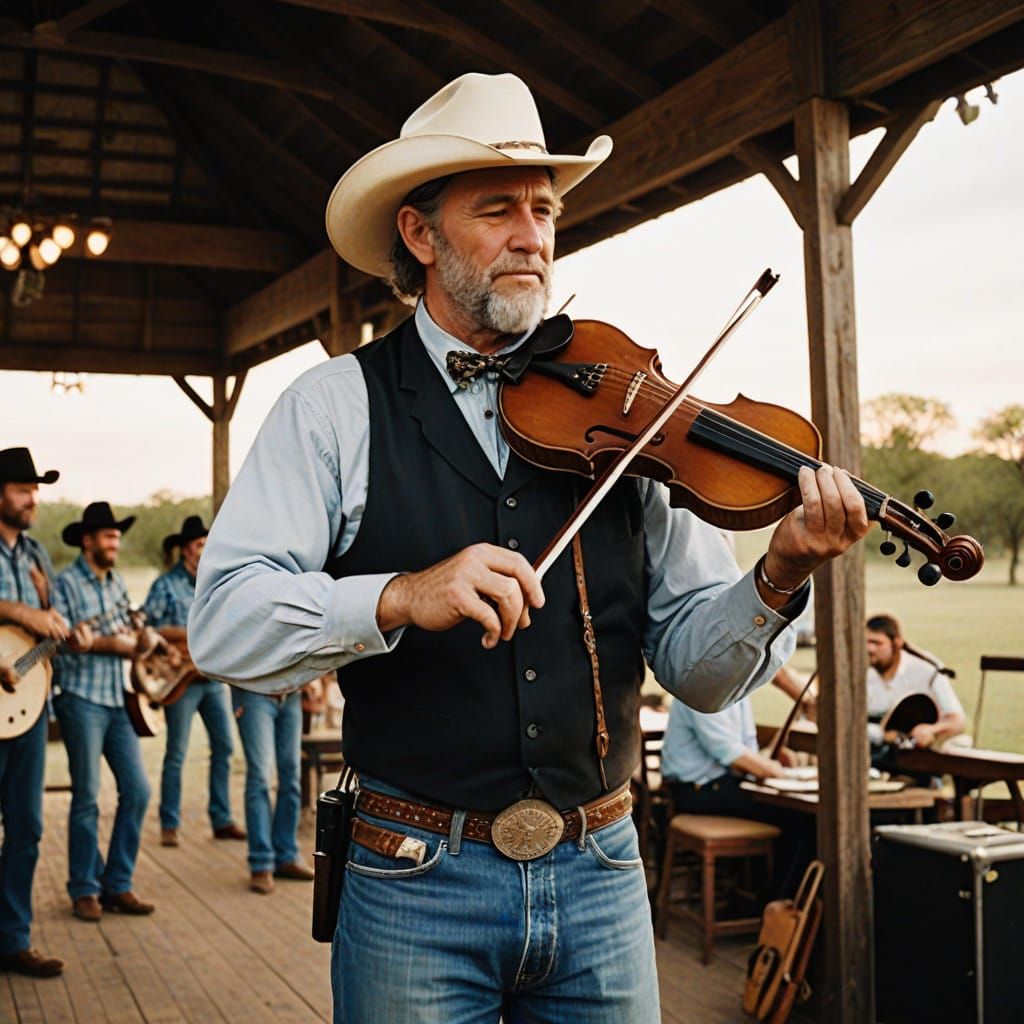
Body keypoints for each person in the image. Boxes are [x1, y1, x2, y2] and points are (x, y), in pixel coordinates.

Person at [189, 72, 870, 1022]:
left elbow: (701, 675)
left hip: (600, 872)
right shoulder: (334, 407)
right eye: (497, 208)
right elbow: (221, 625)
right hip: (410, 877)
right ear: (420, 234)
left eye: (544, 210)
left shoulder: (630, 414)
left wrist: (780, 571)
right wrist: (397, 596)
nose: (531, 236)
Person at [51, 502, 156, 921]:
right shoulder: (64, 584)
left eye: (117, 536)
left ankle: (118, 883)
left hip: (119, 698)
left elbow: (127, 633)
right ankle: (84, 888)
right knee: (87, 796)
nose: (115, 542)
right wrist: (109, 644)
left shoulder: (116, 585)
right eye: (108, 536)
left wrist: (139, 640)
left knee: (138, 791)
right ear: (88, 540)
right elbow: (58, 640)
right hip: (80, 697)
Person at [0, 447, 69, 977]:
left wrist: (60, 631)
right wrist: (20, 610)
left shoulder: (37, 556)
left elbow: (48, 632)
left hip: (27, 708)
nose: (32, 499)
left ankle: (13, 939)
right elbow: (24, 617)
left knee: (27, 827)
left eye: (35, 491)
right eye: (24, 490)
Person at [143, 515, 244, 847]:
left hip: (211, 678)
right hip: (180, 680)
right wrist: (189, 634)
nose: (205, 550)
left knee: (224, 747)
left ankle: (222, 819)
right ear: (187, 550)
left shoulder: (213, 583)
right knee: (178, 751)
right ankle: (169, 823)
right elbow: (149, 629)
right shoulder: (165, 585)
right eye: (200, 545)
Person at [660, 686, 816, 896]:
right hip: (696, 790)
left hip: (721, 784)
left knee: (798, 817)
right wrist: (775, 771)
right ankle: (776, 905)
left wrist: (768, 760)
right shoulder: (702, 688)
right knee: (799, 820)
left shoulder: (736, 689)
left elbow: (746, 748)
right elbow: (727, 751)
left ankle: (758, 899)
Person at [231, 687, 312, 894]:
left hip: (292, 695)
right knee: (260, 777)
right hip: (253, 694)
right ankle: (261, 863)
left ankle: (287, 855)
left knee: (292, 776)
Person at [866, 613, 965, 750]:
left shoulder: (927, 671)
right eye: (866, 642)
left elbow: (956, 720)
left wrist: (931, 730)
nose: (869, 649)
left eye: (877, 643)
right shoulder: (859, 673)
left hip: (917, 754)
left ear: (897, 642)